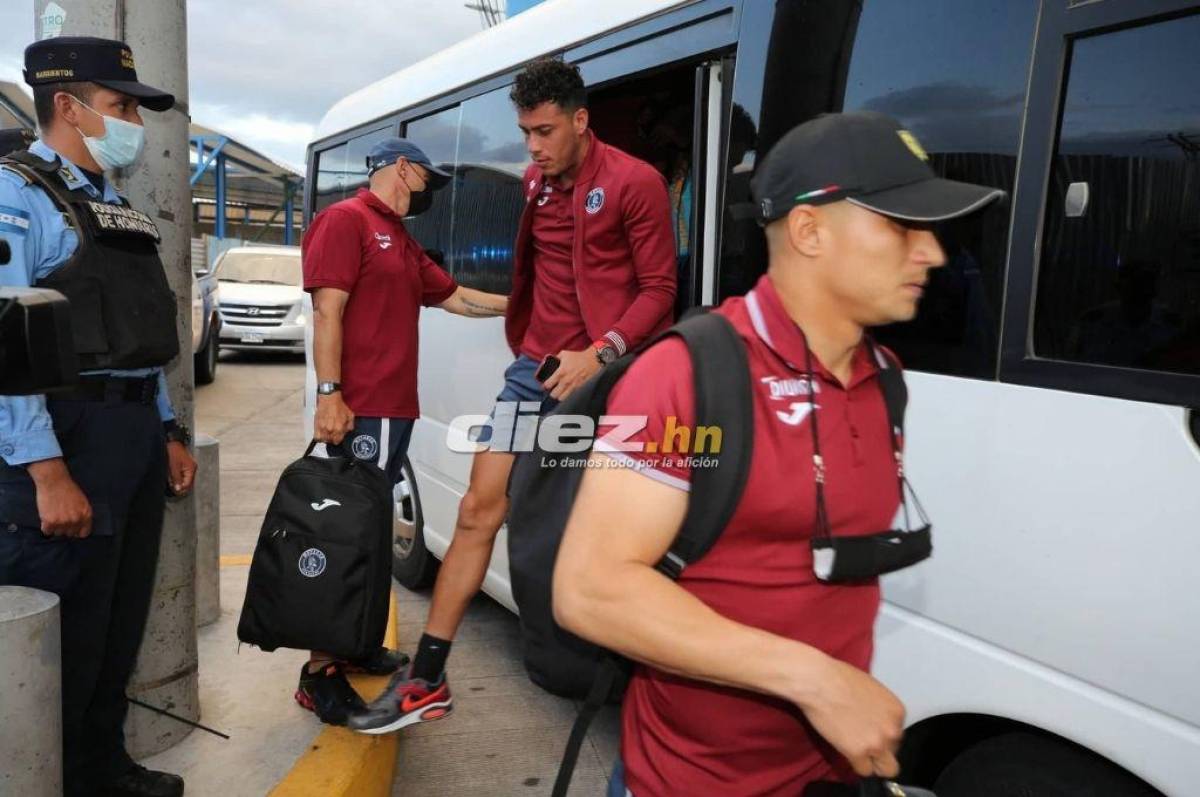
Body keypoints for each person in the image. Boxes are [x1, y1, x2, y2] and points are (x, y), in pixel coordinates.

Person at [552, 112, 1005, 796]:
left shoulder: (884, 377)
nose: (933, 254)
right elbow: (591, 589)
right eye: (901, 227)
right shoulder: (687, 374)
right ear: (808, 230)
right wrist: (817, 680)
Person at [348, 57, 677, 735]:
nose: (533, 145)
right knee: (476, 509)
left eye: (545, 130)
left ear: (581, 121)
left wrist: (602, 352)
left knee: (597, 530)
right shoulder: (534, 183)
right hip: (534, 369)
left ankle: (638, 679)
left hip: (609, 375)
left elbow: (660, 291)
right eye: (525, 130)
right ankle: (428, 678)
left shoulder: (635, 182)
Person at [0, 37, 197, 797]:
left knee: (117, 621)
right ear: (66, 106)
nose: (131, 125)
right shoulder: (14, 197)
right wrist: (45, 472)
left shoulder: (114, 205)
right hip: (60, 434)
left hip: (130, 436)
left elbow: (137, 338)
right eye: (118, 107)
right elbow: (7, 354)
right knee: (64, 631)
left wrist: (168, 429)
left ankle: (98, 767)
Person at [298, 137, 510, 725]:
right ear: (401, 167)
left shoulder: (401, 238)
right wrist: (329, 394)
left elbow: (457, 298)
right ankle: (318, 674)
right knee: (346, 537)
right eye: (425, 178)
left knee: (368, 536)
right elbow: (326, 313)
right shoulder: (345, 222)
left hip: (394, 411)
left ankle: (358, 646)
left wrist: (524, 305)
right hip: (359, 408)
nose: (428, 189)